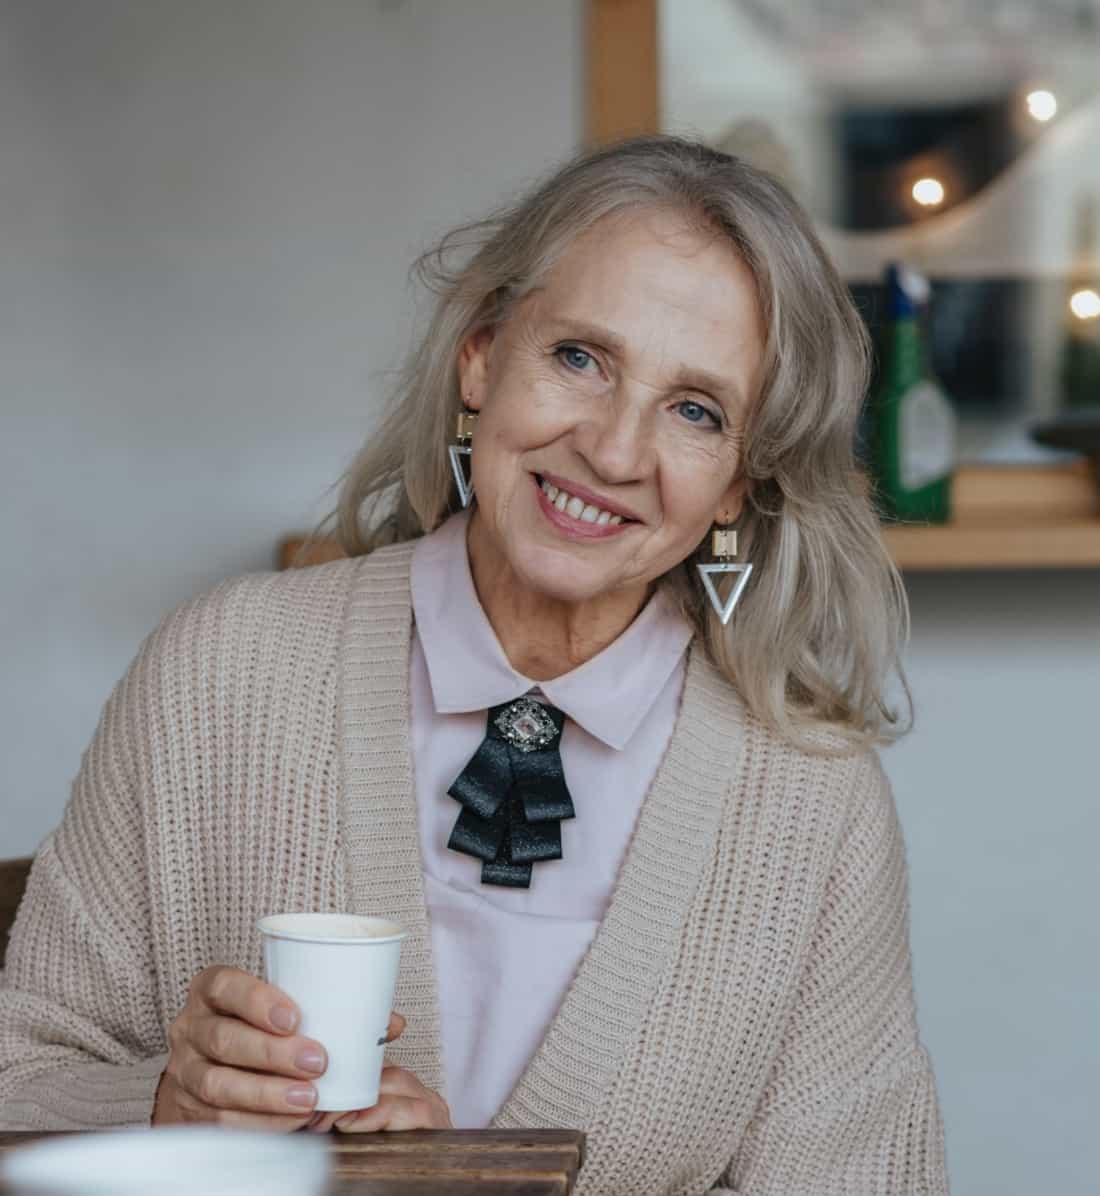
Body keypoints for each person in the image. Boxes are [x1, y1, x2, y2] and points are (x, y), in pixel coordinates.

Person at [0, 136, 948, 1194]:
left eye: (695, 410)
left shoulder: (810, 806)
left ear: (738, 481)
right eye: (579, 357)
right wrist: (172, 1112)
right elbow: (22, 1079)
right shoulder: (217, 670)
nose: (614, 451)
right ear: (482, 356)